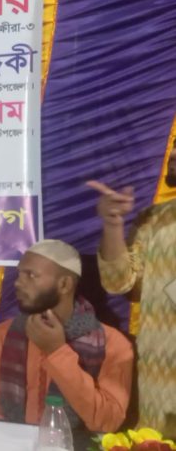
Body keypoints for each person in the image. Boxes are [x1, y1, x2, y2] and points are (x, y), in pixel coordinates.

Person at [0, 239, 133, 433]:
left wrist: (57, 353)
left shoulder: (113, 344)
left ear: (64, 284)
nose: (18, 283)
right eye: (19, 274)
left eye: (31, 275)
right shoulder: (0, 337)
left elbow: (107, 421)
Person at [88, 143, 176, 434]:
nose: (172, 155)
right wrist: (113, 225)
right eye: (174, 147)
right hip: (159, 395)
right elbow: (119, 284)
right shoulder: (154, 219)